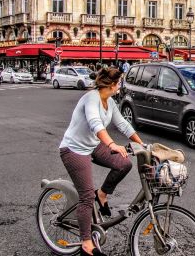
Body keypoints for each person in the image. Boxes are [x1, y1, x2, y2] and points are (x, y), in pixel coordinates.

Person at [59, 68, 144, 256]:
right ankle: (86, 243)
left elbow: (122, 124)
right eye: (119, 82)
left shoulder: (110, 101)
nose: (120, 86)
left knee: (124, 164)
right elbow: (95, 123)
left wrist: (142, 145)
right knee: (86, 197)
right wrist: (112, 144)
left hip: (92, 145)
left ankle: (103, 194)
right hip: (73, 149)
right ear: (112, 85)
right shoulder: (91, 98)